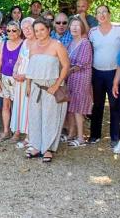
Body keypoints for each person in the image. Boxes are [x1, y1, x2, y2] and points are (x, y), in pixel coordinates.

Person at [25, 17, 70, 162]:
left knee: (50, 118)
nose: (39, 33)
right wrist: (28, 85)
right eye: (36, 30)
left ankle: (48, 148)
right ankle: (37, 146)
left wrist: (56, 85)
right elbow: (30, 67)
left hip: (52, 87)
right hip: (36, 87)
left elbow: (66, 66)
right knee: (35, 116)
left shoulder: (57, 45)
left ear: (49, 29)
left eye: (42, 30)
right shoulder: (32, 46)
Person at [88, 5, 120, 146]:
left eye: (104, 12)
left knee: (115, 105)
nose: (102, 15)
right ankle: (95, 135)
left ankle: (115, 137)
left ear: (109, 14)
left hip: (114, 73)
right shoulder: (92, 32)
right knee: (98, 105)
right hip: (97, 73)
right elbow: (89, 53)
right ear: (96, 16)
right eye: (99, 13)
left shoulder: (118, 30)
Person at [65, 16, 93, 147]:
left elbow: (80, 64)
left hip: (81, 79)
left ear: (82, 27)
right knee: (71, 107)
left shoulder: (85, 42)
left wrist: (64, 72)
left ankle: (81, 137)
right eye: (72, 25)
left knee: (78, 108)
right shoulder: (71, 42)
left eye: (77, 25)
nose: (74, 28)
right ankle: (71, 134)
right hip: (71, 79)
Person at [10, 17, 35, 147]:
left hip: (30, 80)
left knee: (29, 107)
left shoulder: (38, 43)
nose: (26, 30)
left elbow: (37, 66)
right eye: (24, 28)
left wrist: (24, 76)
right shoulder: (24, 43)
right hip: (19, 79)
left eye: (29, 27)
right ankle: (17, 130)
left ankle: (29, 136)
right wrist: (14, 72)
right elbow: (19, 60)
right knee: (19, 106)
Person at [0, 21, 23, 141]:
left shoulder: (24, 44)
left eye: (14, 30)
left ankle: (17, 132)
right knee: (5, 105)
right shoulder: (4, 43)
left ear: (19, 31)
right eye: (8, 30)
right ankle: (6, 130)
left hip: (17, 78)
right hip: (5, 77)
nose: (11, 33)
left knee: (16, 106)